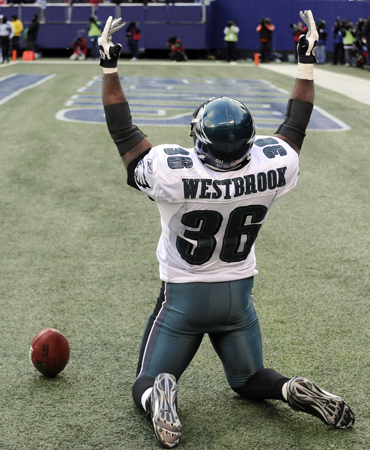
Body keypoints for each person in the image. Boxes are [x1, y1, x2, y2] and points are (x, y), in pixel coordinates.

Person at [98, 11, 355, 449]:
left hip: (184, 298)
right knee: (249, 378)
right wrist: (305, 64)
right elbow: (295, 124)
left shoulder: (172, 172)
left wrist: (109, 67)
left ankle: (162, 397)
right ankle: (289, 388)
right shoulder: (273, 165)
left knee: (146, 380)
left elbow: (125, 136)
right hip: (238, 296)